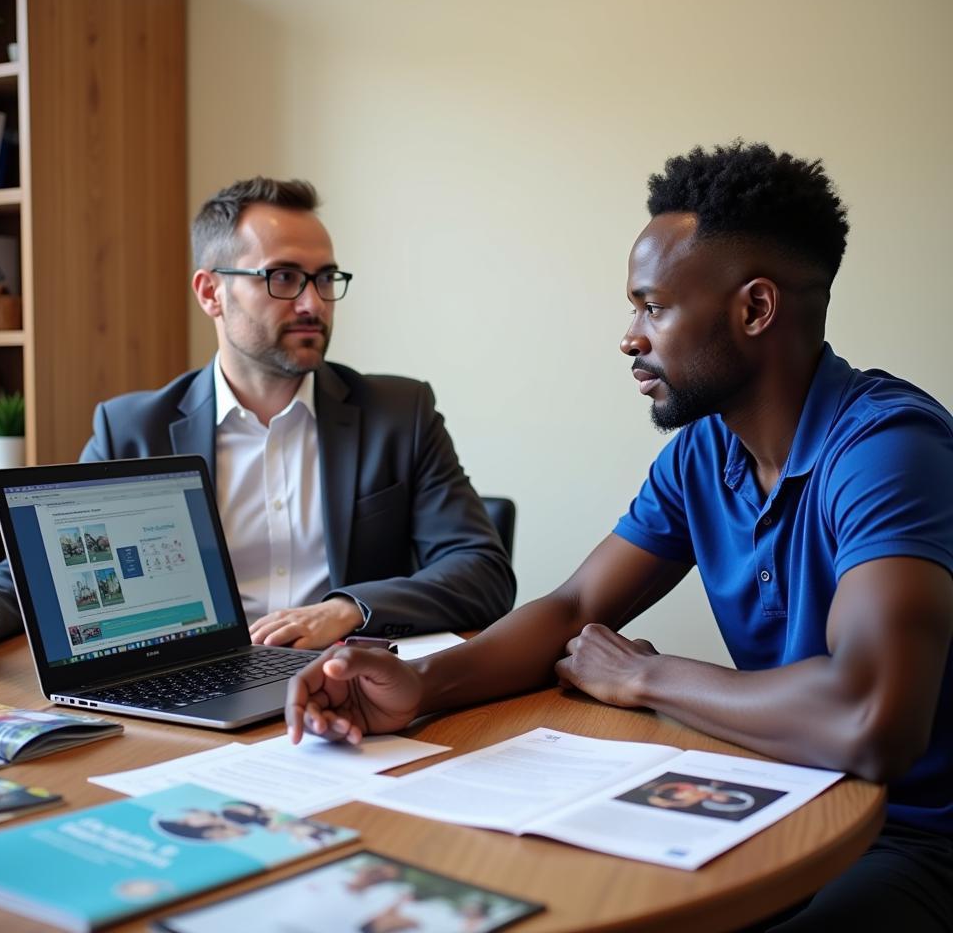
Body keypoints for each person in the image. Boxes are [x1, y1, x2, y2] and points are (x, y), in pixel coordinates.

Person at [285, 143, 953, 931]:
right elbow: (572, 610)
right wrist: (420, 688)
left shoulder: (888, 451)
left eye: (653, 306)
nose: (630, 336)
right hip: (788, 793)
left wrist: (648, 678)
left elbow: (871, 722)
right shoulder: (704, 454)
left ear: (755, 308)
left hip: (915, 835)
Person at [0, 177, 514, 669]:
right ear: (211, 293)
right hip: (194, 678)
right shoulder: (135, 427)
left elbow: (482, 571)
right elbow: (47, 567)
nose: (313, 303)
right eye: (282, 278)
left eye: (325, 277)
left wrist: (348, 609)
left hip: (348, 679)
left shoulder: (399, 414)